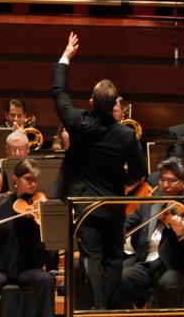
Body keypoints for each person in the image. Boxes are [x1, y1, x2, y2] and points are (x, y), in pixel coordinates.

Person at [50, 32, 146, 309]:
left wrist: (66, 57)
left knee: (92, 255)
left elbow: (59, 93)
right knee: (114, 256)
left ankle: (100, 307)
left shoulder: (78, 123)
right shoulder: (126, 135)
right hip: (114, 203)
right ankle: (110, 307)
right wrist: (123, 181)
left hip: (85, 204)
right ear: (116, 106)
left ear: (92, 101)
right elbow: (139, 171)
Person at [118, 156, 184, 309]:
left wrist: (182, 233)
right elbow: (126, 223)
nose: (164, 185)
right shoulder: (150, 203)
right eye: (162, 180)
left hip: (177, 266)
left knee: (168, 283)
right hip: (147, 262)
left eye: (171, 181)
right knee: (120, 278)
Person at [0, 159, 53, 317]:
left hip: (27, 266)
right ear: (16, 179)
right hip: (0, 264)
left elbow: (46, 242)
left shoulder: (40, 206)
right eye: (28, 180)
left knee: (46, 280)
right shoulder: (2, 204)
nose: (33, 185)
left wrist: (38, 221)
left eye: (35, 180)